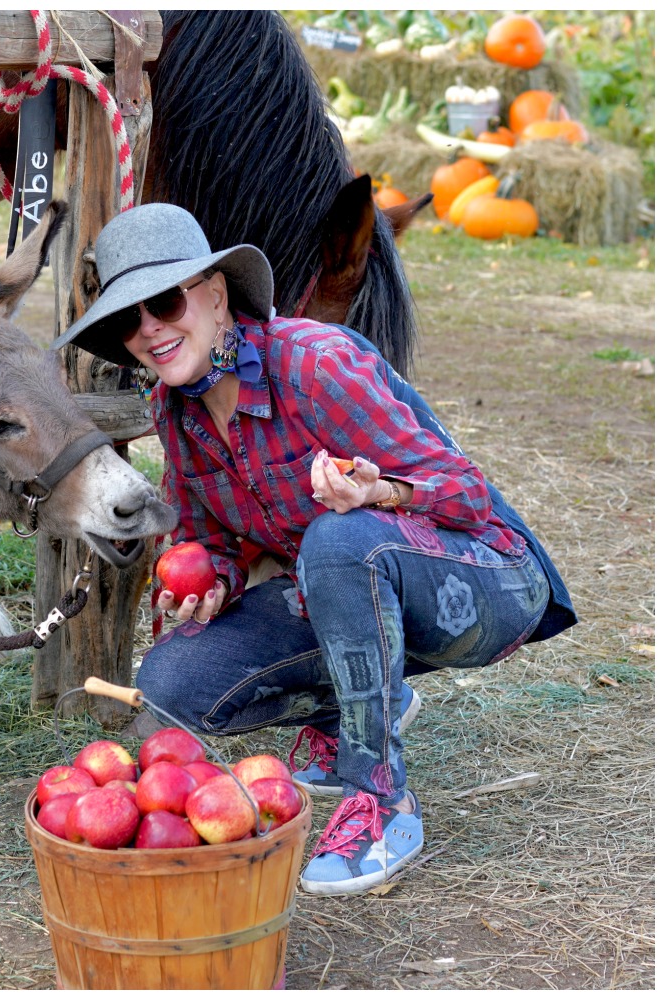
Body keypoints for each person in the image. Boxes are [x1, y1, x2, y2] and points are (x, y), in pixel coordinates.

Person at [52, 203, 576, 896]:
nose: (149, 328)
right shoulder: (173, 414)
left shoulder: (314, 365)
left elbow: (466, 492)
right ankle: (353, 711)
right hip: (345, 592)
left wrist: (379, 492)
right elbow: (210, 539)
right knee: (172, 682)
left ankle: (382, 803)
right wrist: (212, 577)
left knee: (339, 539)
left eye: (163, 301)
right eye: (128, 319)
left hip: (486, 583)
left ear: (213, 296)